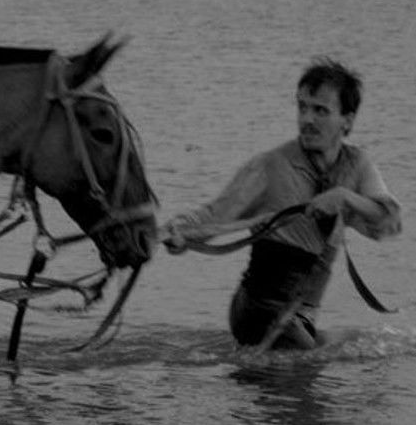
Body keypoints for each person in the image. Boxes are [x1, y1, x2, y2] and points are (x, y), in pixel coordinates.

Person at [164, 58, 402, 349]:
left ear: (347, 120)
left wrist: (345, 197)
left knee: (379, 343)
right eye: (302, 107)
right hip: (256, 310)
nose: (307, 119)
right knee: (308, 361)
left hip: (301, 319)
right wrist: (178, 233)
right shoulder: (271, 167)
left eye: (320, 111)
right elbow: (215, 215)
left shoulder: (357, 166)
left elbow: (389, 222)